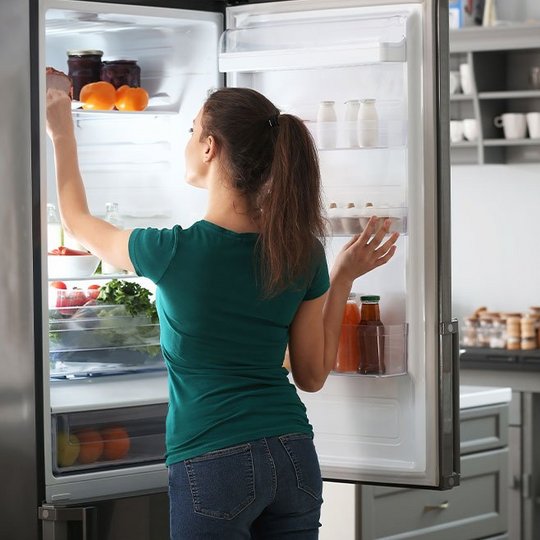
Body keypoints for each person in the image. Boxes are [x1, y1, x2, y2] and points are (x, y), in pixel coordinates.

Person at [46, 86, 398, 539]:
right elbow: (311, 375)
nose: (189, 140)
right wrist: (342, 277)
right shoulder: (301, 251)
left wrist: (60, 132)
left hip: (213, 460)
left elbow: (76, 221)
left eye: (193, 130)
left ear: (210, 147)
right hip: (292, 452)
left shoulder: (172, 249)